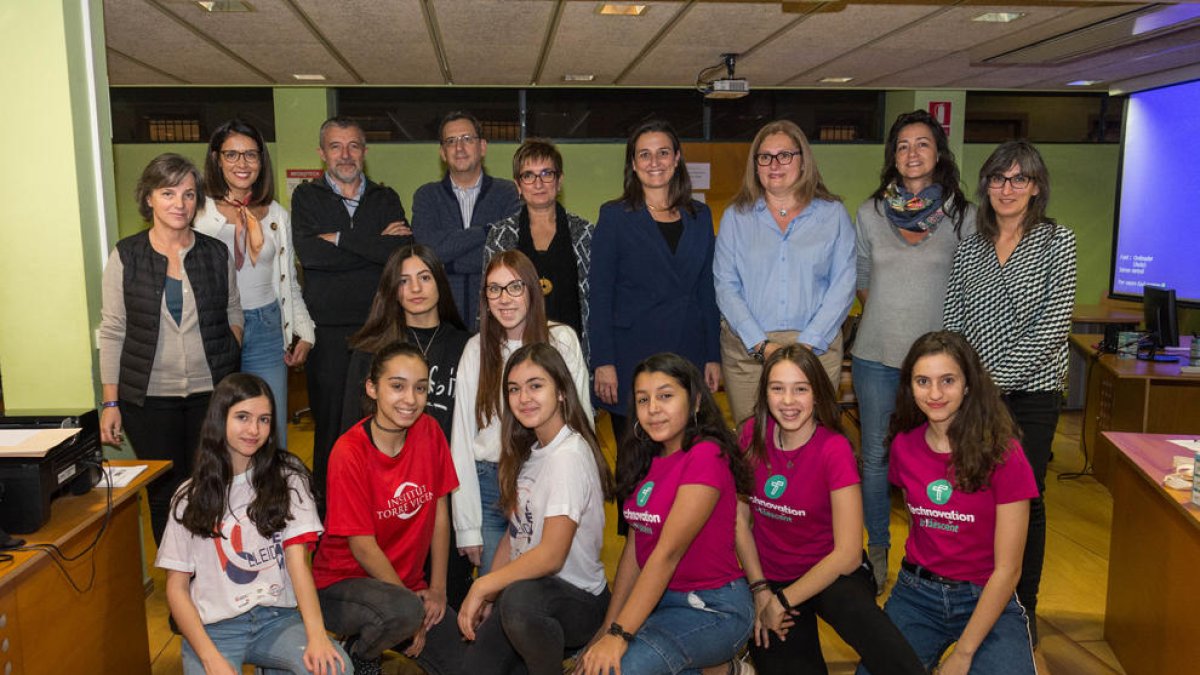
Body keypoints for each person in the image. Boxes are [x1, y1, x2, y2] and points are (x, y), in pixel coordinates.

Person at [942, 140, 1076, 643]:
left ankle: (1024, 606)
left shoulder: (1057, 242)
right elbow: (953, 320)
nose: (1007, 188)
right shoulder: (971, 245)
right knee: (973, 491)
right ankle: (975, 594)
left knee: (1026, 498)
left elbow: (1050, 329)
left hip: (1031, 394)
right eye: (999, 178)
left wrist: (988, 386)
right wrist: (961, 385)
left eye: (1019, 179)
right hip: (973, 397)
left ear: (1036, 186)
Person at [734, 345, 924, 675]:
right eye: (777, 388)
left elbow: (848, 553)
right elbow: (739, 519)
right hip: (772, 578)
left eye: (801, 389)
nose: (788, 401)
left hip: (831, 573)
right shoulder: (751, 435)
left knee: (879, 639)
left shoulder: (833, 448)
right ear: (765, 394)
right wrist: (761, 590)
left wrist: (781, 601)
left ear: (818, 394)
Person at [858, 331, 1039, 675]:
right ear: (909, 387)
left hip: (986, 596)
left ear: (968, 384)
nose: (935, 393)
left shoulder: (1004, 454)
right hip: (916, 595)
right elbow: (922, 525)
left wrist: (964, 654)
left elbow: (1009, 570)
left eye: (948, 380)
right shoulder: (904, 447)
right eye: (922, 381)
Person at [852, 109, 977, 591]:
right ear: (893, 156)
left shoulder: (963, 216)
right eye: (903, 145)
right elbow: (864, 280)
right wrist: (894, 315)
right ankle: (878, 550)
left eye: (922, 144)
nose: (912, 153)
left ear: (939, 152)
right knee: (876, 458)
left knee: (939, 458)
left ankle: (934, 551)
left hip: (939, 367)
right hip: (876, 357)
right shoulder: (870, 212)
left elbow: (969, 284)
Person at [156, 373, 349, 675]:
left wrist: (317, 637)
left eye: (264, 420)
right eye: (243, 417)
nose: (253, 430)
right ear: (220, 420)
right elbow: (177, 588)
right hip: (214, 629)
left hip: (276, 619)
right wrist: (209, 658)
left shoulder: (290, 478)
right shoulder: (188, 496)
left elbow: (299, 563)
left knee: (336, 669)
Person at [577, 353, 754, 675]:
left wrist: (619, 635)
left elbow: (667, 554)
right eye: (643, 400)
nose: (653, 409)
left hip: (713, 608)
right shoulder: (646, 459)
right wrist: (608, 628)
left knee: (616, 669)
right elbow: (634, 550)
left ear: (696, 401)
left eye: (666, 396)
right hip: (660, 603)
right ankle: (724, 672)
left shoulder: (706, 455)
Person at [99, 153, 243, 544]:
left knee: (210, 487)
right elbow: (113, 330)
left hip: (209, 394)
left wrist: (231, 342)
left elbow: (233, 309)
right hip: (147, 400)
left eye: (189, 194)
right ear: (149, 198)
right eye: (168, 193)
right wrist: (110, 403)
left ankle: (210, 587)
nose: (179, 204)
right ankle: (179, 590)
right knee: (163, 495)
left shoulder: (215, 253)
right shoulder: (126, 256)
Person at [459, 343, 614, 674]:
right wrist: (490, 593)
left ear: (560, 390)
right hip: (530, 601)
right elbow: (515, 535)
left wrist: (483, 586)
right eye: (514, 389)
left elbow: (551, 555)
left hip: (577, 602)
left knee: (518, 600)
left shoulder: (568, 455)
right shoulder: (530, 451)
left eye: (535, 385)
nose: (524, 397)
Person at [312, 342, 462, 675]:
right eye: (397, 386)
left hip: (407, 588)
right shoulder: (348, 451)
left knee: (470, 664)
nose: (410, 399)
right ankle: (361, 652)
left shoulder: (430, 431)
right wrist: (413, 611)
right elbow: (362, 547)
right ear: (372, 388)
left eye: (420, 388)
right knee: (402, 613)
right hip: (341, 585)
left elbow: (440, 512)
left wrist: (437, 590)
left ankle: (392, 627)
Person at [340, 243, 474, 608]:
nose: (415, 289)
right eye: (404, 281)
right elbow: (350, 436)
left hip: (447, 501)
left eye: (425, 278)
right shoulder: (371, 350)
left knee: (447, 610)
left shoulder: (467, 347)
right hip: (385, 509)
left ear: (439, 284)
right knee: (389, 606)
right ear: (392, 291)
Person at [292, 116, 412, 510]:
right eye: (336, 146)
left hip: (381, 331)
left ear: (365, 151)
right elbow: (311, 254)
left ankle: (377, 506)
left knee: (380, 423)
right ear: (322, 153)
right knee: (330, 429)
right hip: (328, 334)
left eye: (354, 146)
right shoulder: (307, 199)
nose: (345, 155)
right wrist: (371, 246)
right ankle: (327, 515)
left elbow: (396, 254)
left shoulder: (385, 197)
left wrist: (340, 239)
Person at [451, 250, 593, 576]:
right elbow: (461, 440)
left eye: (515, 287)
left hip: (550, 480)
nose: (504, 299)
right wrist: (468, 526)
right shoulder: (476, 349)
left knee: (542, 589)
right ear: (485, 298)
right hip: (490, 485)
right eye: (494, 289)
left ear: (532, 289)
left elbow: (581, 425)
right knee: (493, 593)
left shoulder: (561, 340)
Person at [714, 120, 856, 427]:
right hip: (749, 351)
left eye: (784, 155)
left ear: (803, 160)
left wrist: (806, 346)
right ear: (755, 165)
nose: (774, 164)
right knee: (753, 445)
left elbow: (843, 285)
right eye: (765, 157)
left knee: (810, 445)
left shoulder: (832, 215)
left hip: (815, 350)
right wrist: (760, 345)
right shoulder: (735, 218)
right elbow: (725, 285)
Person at [589, 119, 721, 446]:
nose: (654, 162)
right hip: (632, 353)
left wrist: (712, 355)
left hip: (688, 350)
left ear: (677, 158)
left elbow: (708, 290)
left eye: (663, 153)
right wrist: (603, 361)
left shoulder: (700, 216)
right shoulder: (615, 216)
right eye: (644, 155)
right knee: (635, 459)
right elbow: (600, 294)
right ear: (633, 164)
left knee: (687, 452)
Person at [194, 119, 315, 448]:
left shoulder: (277, 215)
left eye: (251, 155)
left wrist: (304, 331)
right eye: (231, 155)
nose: (242, 164)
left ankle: (272, 498)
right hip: (214, 331)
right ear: (217, 159)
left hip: (266, 327)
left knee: (268, 427)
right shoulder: (197, 213)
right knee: (219, 429)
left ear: (262, 161)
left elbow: (288, 283)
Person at [483, 138, 594, 362]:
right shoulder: (500, 235)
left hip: (573, 353)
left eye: (546, 174)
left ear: (559, 180)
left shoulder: (585, 233)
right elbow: (488, 297)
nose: (538, 183)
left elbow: (597, 300)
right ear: (518, 185)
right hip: (515, 353)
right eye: (528, 175)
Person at [413, 111, 521, 327]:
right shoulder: (427, 196)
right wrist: (486, 232)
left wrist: (448, 265)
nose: (459, 148)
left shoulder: (506, 192)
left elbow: (506, 252)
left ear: (482, 147)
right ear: (442, 152)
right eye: (451, 141)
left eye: (467, 139)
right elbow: (429, 252)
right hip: (442, 319)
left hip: (497, 317)